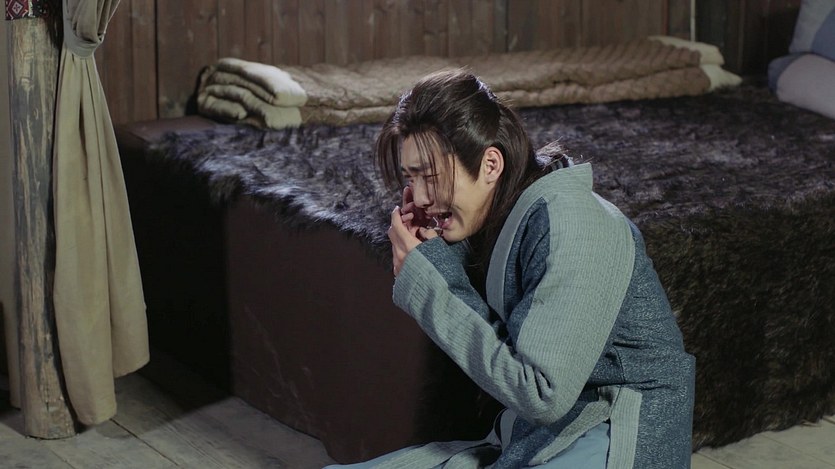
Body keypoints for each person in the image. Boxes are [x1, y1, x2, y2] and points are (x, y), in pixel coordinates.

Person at [328, 69, 696, 468]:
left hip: (619, 433)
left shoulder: (574, 223)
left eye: (430, 176)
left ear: (490, 164)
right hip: (542, 433)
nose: (419, 197)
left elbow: (542, 394)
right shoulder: (506, 222)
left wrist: (429, 285)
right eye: (410, 178)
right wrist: (436, 257)